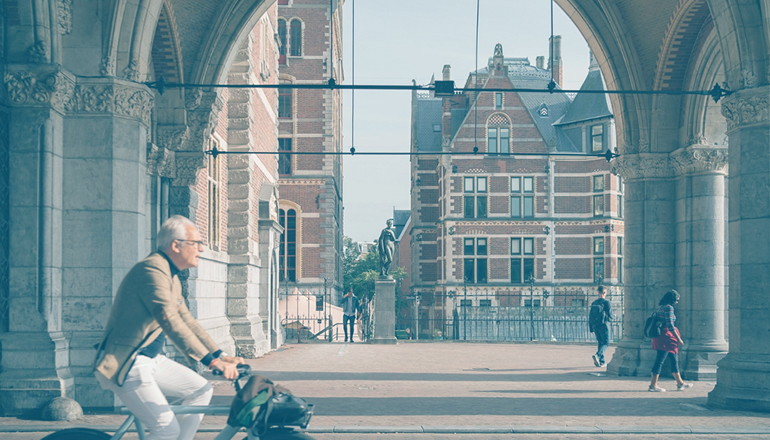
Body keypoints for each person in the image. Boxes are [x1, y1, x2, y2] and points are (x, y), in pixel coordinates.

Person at [93, 215, 244, 440]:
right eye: (197, 243)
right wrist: (211, 362)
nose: (202, 249)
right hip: (128, 362)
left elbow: (188, 321)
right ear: (176, 245)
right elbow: (169, 319)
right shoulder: (151, 270)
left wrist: (221, 355)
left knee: (200, 390)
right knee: (166, 429)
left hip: (151, 360)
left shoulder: (170, 275)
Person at [648, 289, 693, 392]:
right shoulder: (669, 308)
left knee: (673, 360)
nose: (677, 302)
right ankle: (653, 385)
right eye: (676, 300)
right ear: (672, 299)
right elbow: (670, 325)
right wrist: (679, 339)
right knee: (660, 361)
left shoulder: (660, 307)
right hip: (667, 338)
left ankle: (680, 383)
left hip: (661, 337)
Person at [588, 285, 614, 367]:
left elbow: (590, 316)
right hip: (604, 325)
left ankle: (601, 362)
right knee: (606, 343)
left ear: (598, 292)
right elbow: (610, 314)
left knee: (600, 342)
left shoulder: (594, 303)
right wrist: (614, 316)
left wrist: (591, 328)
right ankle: (598, 355)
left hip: (595, 326)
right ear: (604, 292)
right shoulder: (607, 302)